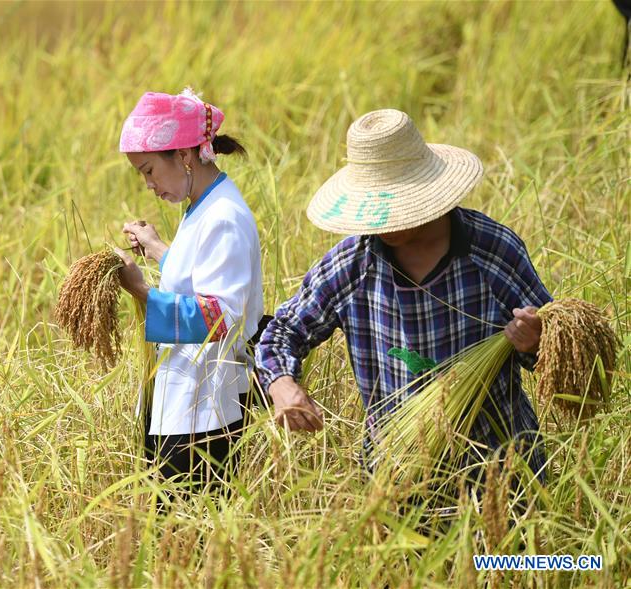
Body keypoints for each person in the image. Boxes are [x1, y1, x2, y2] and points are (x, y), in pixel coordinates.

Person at [256, 108, 550, 487]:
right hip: (400, 470)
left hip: (501, 464)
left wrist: (533, 341)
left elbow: (555, 346)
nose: (386, 224)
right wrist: (282, 384)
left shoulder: (491, 250)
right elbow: (282, 331)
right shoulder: (353, 265)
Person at [113, 89, 263, 493]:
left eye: (148, 170)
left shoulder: (223, 218)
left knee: (186, 541)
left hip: (204, 414)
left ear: (182, 156)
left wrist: (141, 289)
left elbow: (221, 317)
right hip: (183, 400)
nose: (148, 184)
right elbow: (201, 277)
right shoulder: (203, 206)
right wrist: (158, 248)